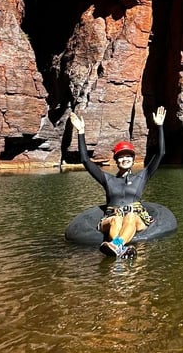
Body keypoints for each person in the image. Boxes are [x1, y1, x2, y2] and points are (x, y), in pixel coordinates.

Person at [68, 106, 167, 257]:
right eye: (121, 156)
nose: (125, 159)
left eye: (128, 156)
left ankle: (116, 246)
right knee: (116, 219)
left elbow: (160, 153)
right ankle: (119, 248)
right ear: (116, 160)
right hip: (112, 218)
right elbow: (85, 160)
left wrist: (159, 126)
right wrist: (81, 132)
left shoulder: (141, 177)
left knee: (130, 216)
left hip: (136, 218)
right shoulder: (108, 179)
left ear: (133, 159)